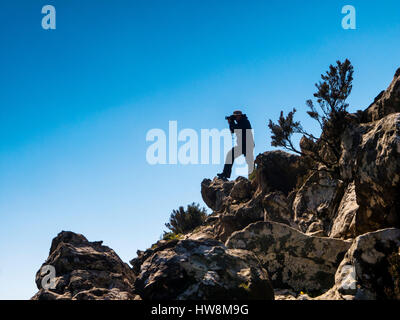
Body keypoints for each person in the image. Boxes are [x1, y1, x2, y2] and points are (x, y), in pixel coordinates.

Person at [217, 110, 255, 180]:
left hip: (248, 145)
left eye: (236, 116)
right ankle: (225, 174)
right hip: (242, 145)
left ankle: (253, 177)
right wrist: (230, 123)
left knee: (250, 161)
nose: (236, 118)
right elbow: (233, 130)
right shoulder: (239, 122)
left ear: (240, 116)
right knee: (230, 155)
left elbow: (236, 128)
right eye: (235, 117)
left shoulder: (245, 121)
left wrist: (231, 122)